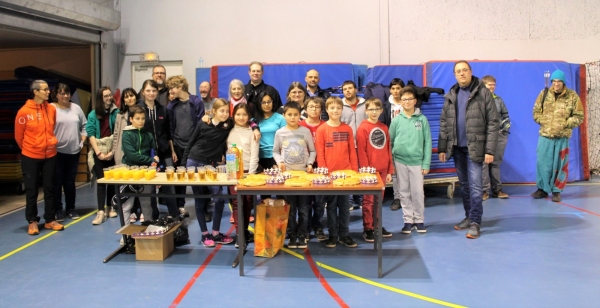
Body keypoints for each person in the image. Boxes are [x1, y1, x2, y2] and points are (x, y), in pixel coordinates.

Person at [438, 60, 499, 239]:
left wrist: (489, 150)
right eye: (458, 71)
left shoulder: (483, 93)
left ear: (471, 72)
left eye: (465, 70)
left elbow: (493, 123)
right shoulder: (451, 94)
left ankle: (475, 222)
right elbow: (444, 122)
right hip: (457, 148)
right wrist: (443, 147)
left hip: (476, 147)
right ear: (455, 75)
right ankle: (467, 216)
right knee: (464, 185)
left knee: (475, 186)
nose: (462, 74)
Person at [181, 99, 236, 247]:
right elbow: (190, 143)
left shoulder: (229, 124)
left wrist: (255, 127)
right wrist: (183, 165)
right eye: (221, 111)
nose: (224, 114)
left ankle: (216, 234)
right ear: (214, 112)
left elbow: (247, 121)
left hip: (213, 165)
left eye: (226, 111)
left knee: (218, 199)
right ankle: (205, 235)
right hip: (195, 161)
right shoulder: (203, 123)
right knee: (200, 200)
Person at [15, 80, 64, 235]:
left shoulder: (51, 109)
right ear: (35, 92)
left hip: (50, 155)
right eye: (45, 90)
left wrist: (47, 145)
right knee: (32, 190)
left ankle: (50, 219)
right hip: (30, 156)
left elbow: (51, 128)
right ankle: (32, 221)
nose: (48, 92)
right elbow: (19, 136)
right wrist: (32, 149)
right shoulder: (23, 112)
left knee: (50, 187)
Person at [532, 69, 584, 202]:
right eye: (554, 81)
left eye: (558, 81)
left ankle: (556, 191)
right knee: (543, 164)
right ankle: (542, 189)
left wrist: (566, 123)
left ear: (563, 83)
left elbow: (579, 116)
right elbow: (536, 112)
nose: (556, 84)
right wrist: (543, 121)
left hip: (562, 137)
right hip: (545, 136)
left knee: (560, 165)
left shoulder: (572, 96)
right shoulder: (544, 94)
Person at [315, 97, 359, 248]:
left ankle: (345, 235)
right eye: (332, 108)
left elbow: (352, 152)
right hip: (330, 176)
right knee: (332, 206)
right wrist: (324, 173)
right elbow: (320, 153)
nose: (335, 111)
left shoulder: (347, 129)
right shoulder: (322, 129)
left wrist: (354, 171)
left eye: (338, 108)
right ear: (326, 110)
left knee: (345, 206)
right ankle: (333, 235)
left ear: (342, 110)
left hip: (346, 175)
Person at [273, 102, 316, 249]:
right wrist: (279, 162)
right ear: (284, 115)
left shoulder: (305, 131)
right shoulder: (280, 133)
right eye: (289, 114)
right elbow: (275, 151)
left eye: (296, 114)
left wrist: (310, 163)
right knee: (290, 208)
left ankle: (303, 233)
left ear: (300, 115)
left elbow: (313, 150)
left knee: (304, 208)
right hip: (287, 177)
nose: (293, 117)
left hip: (303, 176)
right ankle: (292, 234)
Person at [389, 87, 432, 234]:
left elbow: (428, 142)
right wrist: (391, 163)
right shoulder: (396, 120)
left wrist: (426, 163)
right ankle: (408, 220)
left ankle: (419, 220)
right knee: (403, 192)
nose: (407, 102)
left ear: (415, 101)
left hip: (417, 162)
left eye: (409, 99)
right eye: (404, 99)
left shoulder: (422, 119)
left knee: (418, 192)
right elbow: (390, 142)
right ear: (400, 102)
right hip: (400, 161)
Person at [138, 79, 179, 219]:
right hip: (147, 155)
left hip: (165, 152)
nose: (151, 93)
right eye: (148, 90)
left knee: (169, 186)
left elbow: (168, 132)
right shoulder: (139, 110)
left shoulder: (163, 109)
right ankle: (153, 216)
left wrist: (172, 150)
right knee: (149, 188)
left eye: (154, 90)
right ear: (143, 92)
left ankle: (174, 215)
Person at [356, 98, 394, 241]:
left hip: (383, 170)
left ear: (381, 111)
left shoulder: (384, 127)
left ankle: (377, 225)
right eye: (371, 109)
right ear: (366, 111)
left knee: (379, 199)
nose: (374, 112)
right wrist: (366, 170)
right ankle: (368, 228)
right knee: (369, 200)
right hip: (369, 172)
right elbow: (362, 151)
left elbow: (388, 149)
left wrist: (390, 170)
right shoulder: (363, 128)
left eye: (376, 109)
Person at [166, 75, 205, 218]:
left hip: (194, 145)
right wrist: (172, 150)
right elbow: (170, 128)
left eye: (172, 88)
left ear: (180, 87)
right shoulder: (171, 105)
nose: (171, 91)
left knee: (198, 178)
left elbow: (201, 125)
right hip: (178, 145)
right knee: (180, 178)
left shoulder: (196, 102)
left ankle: (203, 207)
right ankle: (180, 206)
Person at [51, 83, 87, 221]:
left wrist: (82, 140)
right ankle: (58, 210)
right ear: (56, 95)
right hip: (57, 152)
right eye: (62, 93)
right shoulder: (52, 108)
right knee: (57, 181)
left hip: (74, 152)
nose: (65, 96)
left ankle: (71, 208)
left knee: (70, 181)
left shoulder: (76, 108)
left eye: (67, 93)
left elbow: (84, 125)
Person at [120, 106, 160, 224]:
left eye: (143, 118)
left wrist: (155, 159)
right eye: (137, 118)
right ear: (131, 119)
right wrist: (150, 160)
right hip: (130, 171)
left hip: (146, 172)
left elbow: (154, 150)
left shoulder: (148, 135)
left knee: (146, 203)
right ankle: (125, 235)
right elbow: (131, 155)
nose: (141, 121)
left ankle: (148, 229)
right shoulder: (126, 135)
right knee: (127, 205)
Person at [227, 103, 260, 247]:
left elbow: (254, 155)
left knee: (247, 204)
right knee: (237, 203)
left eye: (244, 114)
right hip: (232, 173)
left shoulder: (253, 132)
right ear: (233, 115)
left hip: (248, 173)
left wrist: (251, 174)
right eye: (238, 114)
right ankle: (239, 235)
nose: (241, 117)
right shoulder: (228, 130)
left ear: (249, 117)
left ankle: (245, 231)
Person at [87, 86, 119, 225]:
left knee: (111, 181)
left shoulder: (115, 112)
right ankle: (100, 211)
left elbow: (118, 132)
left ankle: (110, 207)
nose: (108, 98)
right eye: (105, 96)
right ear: (100, 98)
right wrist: (98, 153)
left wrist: (112, 151)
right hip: (99, 148)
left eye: (109, 95)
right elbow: (91, 134)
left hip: (112, 147)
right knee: (101, 181)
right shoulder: (93, 114)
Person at [299, 97, 327, 242]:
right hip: (303, 167)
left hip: (320, 167)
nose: (314, 109)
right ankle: (305, 227)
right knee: (304, 201)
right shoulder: (300, 126)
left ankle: (317, 225)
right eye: (311, 106)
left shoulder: (325, 125)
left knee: (319, 201)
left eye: (317, 107)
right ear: (305, 109)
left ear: (321, 110)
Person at [481, 75, 511, 200]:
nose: (492, 87)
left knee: (495, 163)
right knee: (483, 163)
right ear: (483, 86)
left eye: (494, 84)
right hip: (483, 137)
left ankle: (497, 190)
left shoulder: (499, 100)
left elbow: (505, 116)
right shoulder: (477, 101)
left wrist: (503, 130)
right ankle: (484, 191)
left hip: (499, 137)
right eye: (489, 84)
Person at [112, 88, 139, 221]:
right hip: (123, 152)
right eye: (126, 97)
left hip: (137, 152)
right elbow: (116, 134)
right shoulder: (120, 114)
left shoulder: (140, 112)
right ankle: (131, 211)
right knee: (127, 183)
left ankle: (139, 210)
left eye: (131, 96)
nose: (129, 99)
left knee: (138, 183)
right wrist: (114, 151)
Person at [379, 78, 406, 211]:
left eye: (398, 88)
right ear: (390, 90)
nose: (396, 91)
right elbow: (382, 125)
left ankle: (408, 197)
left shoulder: (408, 105)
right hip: (391, 142)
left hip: (407, 142)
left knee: (407, 171)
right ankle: (397, 198)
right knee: (394, 172)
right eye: (393, 88)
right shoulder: (385, 106)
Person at [340, 80, 366, 210]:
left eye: (350, 88)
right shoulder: (340, 106)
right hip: (346, 145)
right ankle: (348, 200)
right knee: (349, 172)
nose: (348, 91)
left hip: (363, 145)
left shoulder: (365, 104)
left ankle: (360, 199)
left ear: (356, 90)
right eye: (345, 89)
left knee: (361, 171)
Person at [255, 91, 286, 171]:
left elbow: (285, 139)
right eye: (263, 102)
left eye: (269, 102)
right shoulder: (254, 120)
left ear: (273, 102)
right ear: (259, 104)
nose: (267, 105)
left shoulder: (280, 118)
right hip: (258, 158)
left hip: (276, 157)